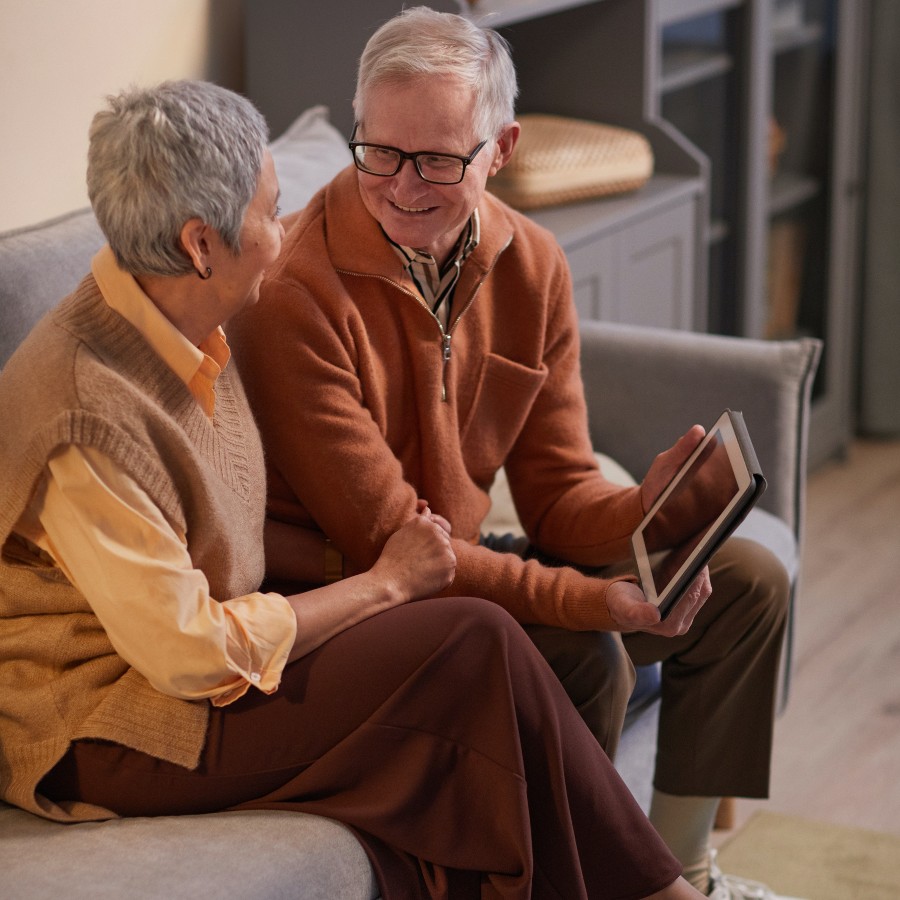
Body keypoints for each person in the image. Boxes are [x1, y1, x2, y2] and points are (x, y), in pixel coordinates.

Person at [0, 79, 711, 900]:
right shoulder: (86, 415)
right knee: (471, 645)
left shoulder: (182, 315)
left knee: (486, 664)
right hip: (111, 722)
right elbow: (188, 655)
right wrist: (383, 586)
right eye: (272, 213)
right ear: (200, 245)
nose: (286, 232)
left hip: (195, 670)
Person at [229, 8, 797, 900]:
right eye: (378, 151)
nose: (403, 186)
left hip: (455, 560)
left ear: (504, 149)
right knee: (583, 652)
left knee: (747, 579)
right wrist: (594, 603)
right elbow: (397, 545)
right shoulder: (294, 293)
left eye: (441, 160)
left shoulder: (532, 262)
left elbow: (558, 492)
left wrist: (646, 512)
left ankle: (688, 867)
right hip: (354, 594)